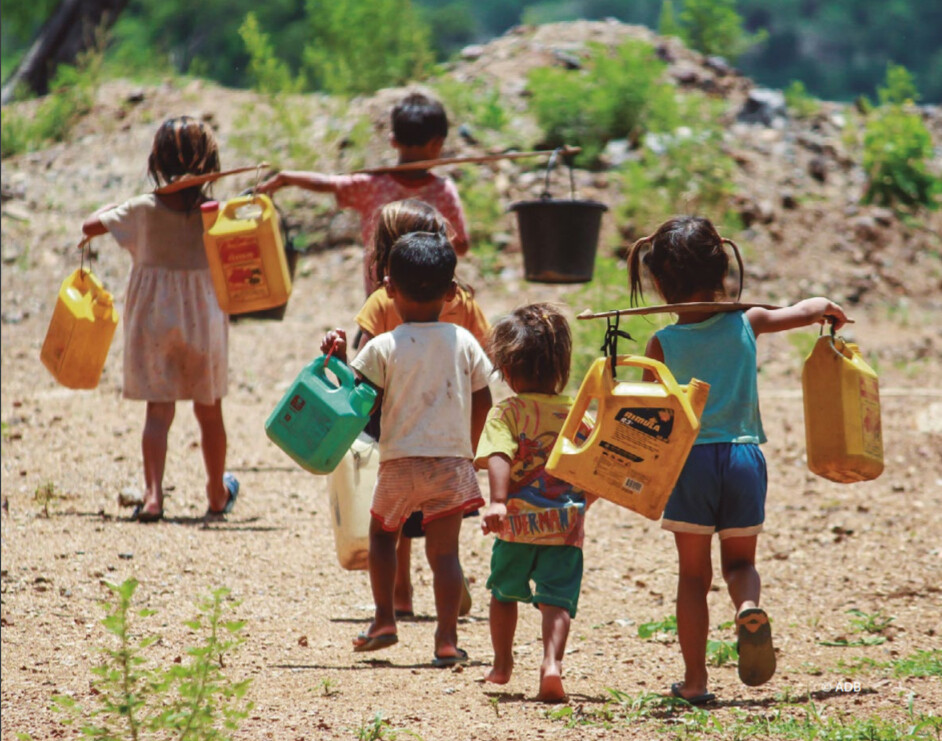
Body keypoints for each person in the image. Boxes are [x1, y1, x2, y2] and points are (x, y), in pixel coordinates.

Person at [626, 215, 849, 704]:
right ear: (724, 273)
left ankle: (695, 682)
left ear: (659, 283)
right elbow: (803, 308)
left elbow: (644, 417)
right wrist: (826, 309)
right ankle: (748, 605)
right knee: (741, 562)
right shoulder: (748, 322)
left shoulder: (662, 343)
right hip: (745, 458)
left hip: (690, 465)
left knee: (691, 575)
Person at [321, 230, 492, 666]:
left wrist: (338, 358)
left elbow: (360, 402)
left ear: (388, 288)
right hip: (451, 464)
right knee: (446, 553)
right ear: (453, 292)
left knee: (383, 537)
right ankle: (447, 639)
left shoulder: (383, 346)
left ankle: (384, 619)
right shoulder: (464, 341)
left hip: (399, 463)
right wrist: (467, 449)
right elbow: (485, 397)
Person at [81, 116, 239, 523]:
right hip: (203, 321)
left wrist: (113, 206)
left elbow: (90, 225)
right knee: (210, 412)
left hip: (153, 321)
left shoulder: (141, 210)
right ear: (210, 163)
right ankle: (217, 492)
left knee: (158, 412)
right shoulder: (214, 212)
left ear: (157, 162)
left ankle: (153, 496)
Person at [353, 199, 488, 618]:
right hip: (450, 440)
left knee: (390, 529)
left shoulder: (380, 303)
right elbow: (486, 372)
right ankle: (446, 634)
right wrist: (475, 442)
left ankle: (396, 602)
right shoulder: (461, 302)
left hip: (399, 438)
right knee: (444, 544)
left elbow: (361, 381)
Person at [475, 303, 595, 703]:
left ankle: (502, 663)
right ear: (561, 366)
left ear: (506, 370)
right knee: (556, 599)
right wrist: (584, 504)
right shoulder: (578, 414)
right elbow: (600, 464)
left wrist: (496, 502)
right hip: (563, 526)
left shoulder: (507, 412)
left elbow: (499, 455)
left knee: (503, 592)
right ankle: (551, 665)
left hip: (515, 525)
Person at [258, 91, 469, 296]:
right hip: (429, 300)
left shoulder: (372, 186)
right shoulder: (443, 191)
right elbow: (461, 244)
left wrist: (287, 178)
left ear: (392, 140)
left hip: (382, 297)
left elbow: (328, 183)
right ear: (437, 144)